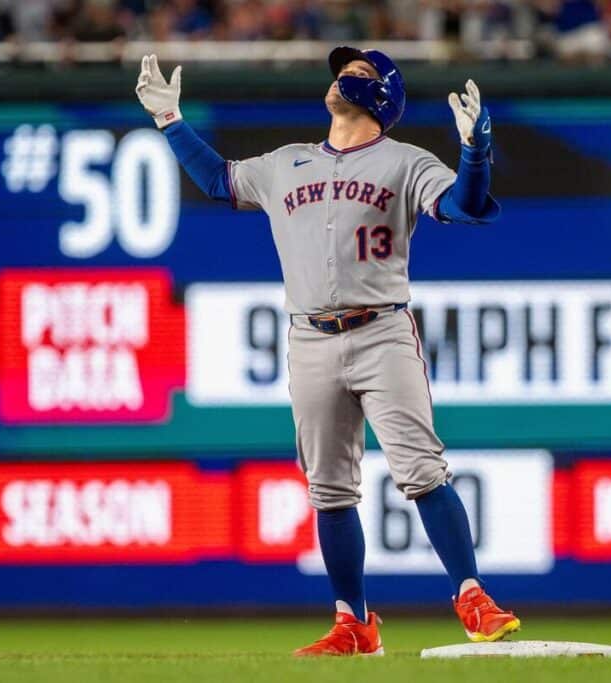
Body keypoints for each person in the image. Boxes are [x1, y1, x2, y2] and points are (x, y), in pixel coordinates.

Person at [134, 47, 520, 656]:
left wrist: (475, 153)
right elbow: (217, 181)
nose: (344, 77)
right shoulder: (287, 162)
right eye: (344, 70)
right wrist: (170, 122)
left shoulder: (403, 160)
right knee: (330, 489)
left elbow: (465, 207)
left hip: (382, 331)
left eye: (361, 73)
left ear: (382, 96)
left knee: (421, 470)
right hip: (309, 336)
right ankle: (354, 624)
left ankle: (471, 594)